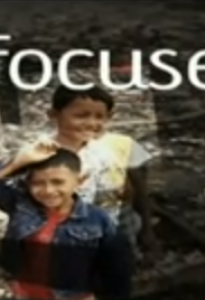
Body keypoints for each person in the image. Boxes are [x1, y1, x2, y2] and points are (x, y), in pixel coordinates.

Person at [0, 141, 133, 300]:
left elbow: (117, 269)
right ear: (27, 184)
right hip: (23, 293)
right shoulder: (23, 207)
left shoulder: (98, 220)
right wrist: (19, 160)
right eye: (38, 183)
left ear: (79, 181)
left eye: (58, 182)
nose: (48, 191)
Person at [46, 84, 156, 253]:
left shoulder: (122, 145)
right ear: (54, 115)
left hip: (120, 228)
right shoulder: (42, 153)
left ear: (109, 116)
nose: (91, 123)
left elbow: (141, 190)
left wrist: (147, 229)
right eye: (81, 116)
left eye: (99, 117)